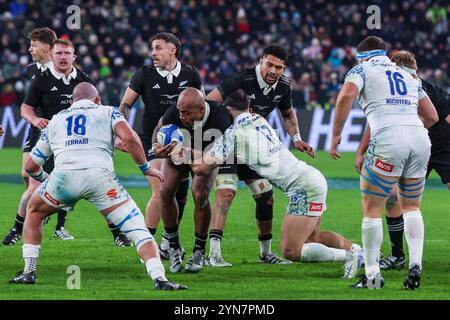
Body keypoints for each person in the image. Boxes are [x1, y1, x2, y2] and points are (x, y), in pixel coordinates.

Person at [9, 82, 187, 291]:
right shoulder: (108, 112)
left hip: (64, 178)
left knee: (34, 209)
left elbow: (30, 165)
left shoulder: (56, 119)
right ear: (97, 99)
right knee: (139, 229)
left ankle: (29, 271)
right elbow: (129, 138)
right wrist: (146, 168)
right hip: (101, 179)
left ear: (72, 101)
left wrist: (45, 179)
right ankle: (159, 278)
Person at [190, 89, 364, 278]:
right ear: (249, 107)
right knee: (313, 238)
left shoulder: (233, 134)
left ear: (227, 110)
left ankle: (350, 255)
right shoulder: (259, 119)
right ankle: (362, 252)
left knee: (291, 251)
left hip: (302, 188)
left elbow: (201, 169)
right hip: (312, 178)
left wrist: (180, 150)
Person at [330, 36, 438, 289]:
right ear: (385, 52)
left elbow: (346, 95)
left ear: (362, 56)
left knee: (372, 208)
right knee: (411, 206)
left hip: (387, 138)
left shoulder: (361, 69)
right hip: (420, 138)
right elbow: (431, 115)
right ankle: (415, 265)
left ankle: (371, 276)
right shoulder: (406, 74)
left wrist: (336, 135)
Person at [2, 37, 130, 247]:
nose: (63, 57)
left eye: (67, 53)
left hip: (75, 142)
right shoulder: (41, 79)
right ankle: (17, 229)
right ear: (52, 55)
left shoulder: (84, 80)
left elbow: (99, 113)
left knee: (100, 186)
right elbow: (26, 108)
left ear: (74, 56)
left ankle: (117, 234)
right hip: (46, 138)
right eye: (59, 53)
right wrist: (35, 120)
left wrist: (115, 140)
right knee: (33, 187)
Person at [205, 45, 315, 266]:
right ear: (261, 61)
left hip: (254, 149)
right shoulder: (240, 80)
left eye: (280, 67)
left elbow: (287, 114)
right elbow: (210, 102)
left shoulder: (283, 86)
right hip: (229, 144)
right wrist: (223, 132)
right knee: (226, 194)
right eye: (270, 65)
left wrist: (297, 139)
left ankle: (266, 254)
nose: (274, 70)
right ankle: (214, 254)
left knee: (266, 196)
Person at [354, 50, 450, 271]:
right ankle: (398, 255)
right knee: (393, 199)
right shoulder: (396, 87)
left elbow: (442, 117)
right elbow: (375, 123)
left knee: (396, 200)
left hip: (441, 146)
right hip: (416, 146)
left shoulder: (425, 88)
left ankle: (389, 263)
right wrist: (361, 150)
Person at [119, 32, 203, 257]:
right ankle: (146, 244)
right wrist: (121, 131)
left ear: (172, 50)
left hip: (183, 142)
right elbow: (126, 104)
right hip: (152, 140)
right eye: (152, 48)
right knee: (161, 190)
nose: (153, 53)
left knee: (181, 196)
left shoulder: (191, 74)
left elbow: (201, 106)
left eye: (158, 48)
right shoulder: (143, 75)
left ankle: (168, 241)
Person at [151, 87, 232, 273]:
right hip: (179, 151)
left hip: (206, 155)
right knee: (164, 191)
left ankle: (199, 249)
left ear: (201, 109)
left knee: (201, 194)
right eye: (180, 111)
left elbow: (220, 153)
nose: (181, 116)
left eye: (186, 113)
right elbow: (158, 128)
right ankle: (173, 246)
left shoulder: (219, 116)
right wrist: (156, 147)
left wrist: (191, 154)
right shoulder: (176, 112)